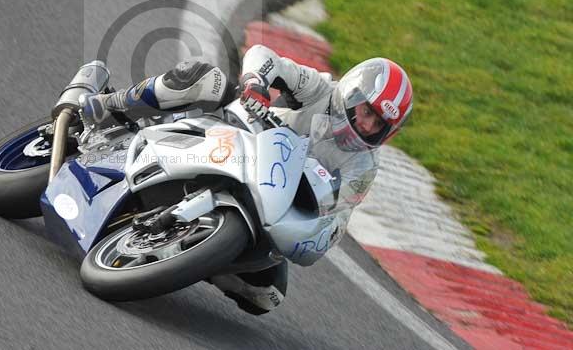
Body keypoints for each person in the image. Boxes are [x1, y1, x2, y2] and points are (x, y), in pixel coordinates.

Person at [79, 44, 413, 315]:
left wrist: (316, 231)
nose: (368, 126)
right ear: (352, 95)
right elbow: (266, 57)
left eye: (379, 124)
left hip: (268, 203)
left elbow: (335, 221)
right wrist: (256, 84)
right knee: (206, 78)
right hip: (235, 138)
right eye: (368, 112)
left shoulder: (364, 166)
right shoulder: (321, 90)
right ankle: (112, 105)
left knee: (266, 295)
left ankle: (197, 256)